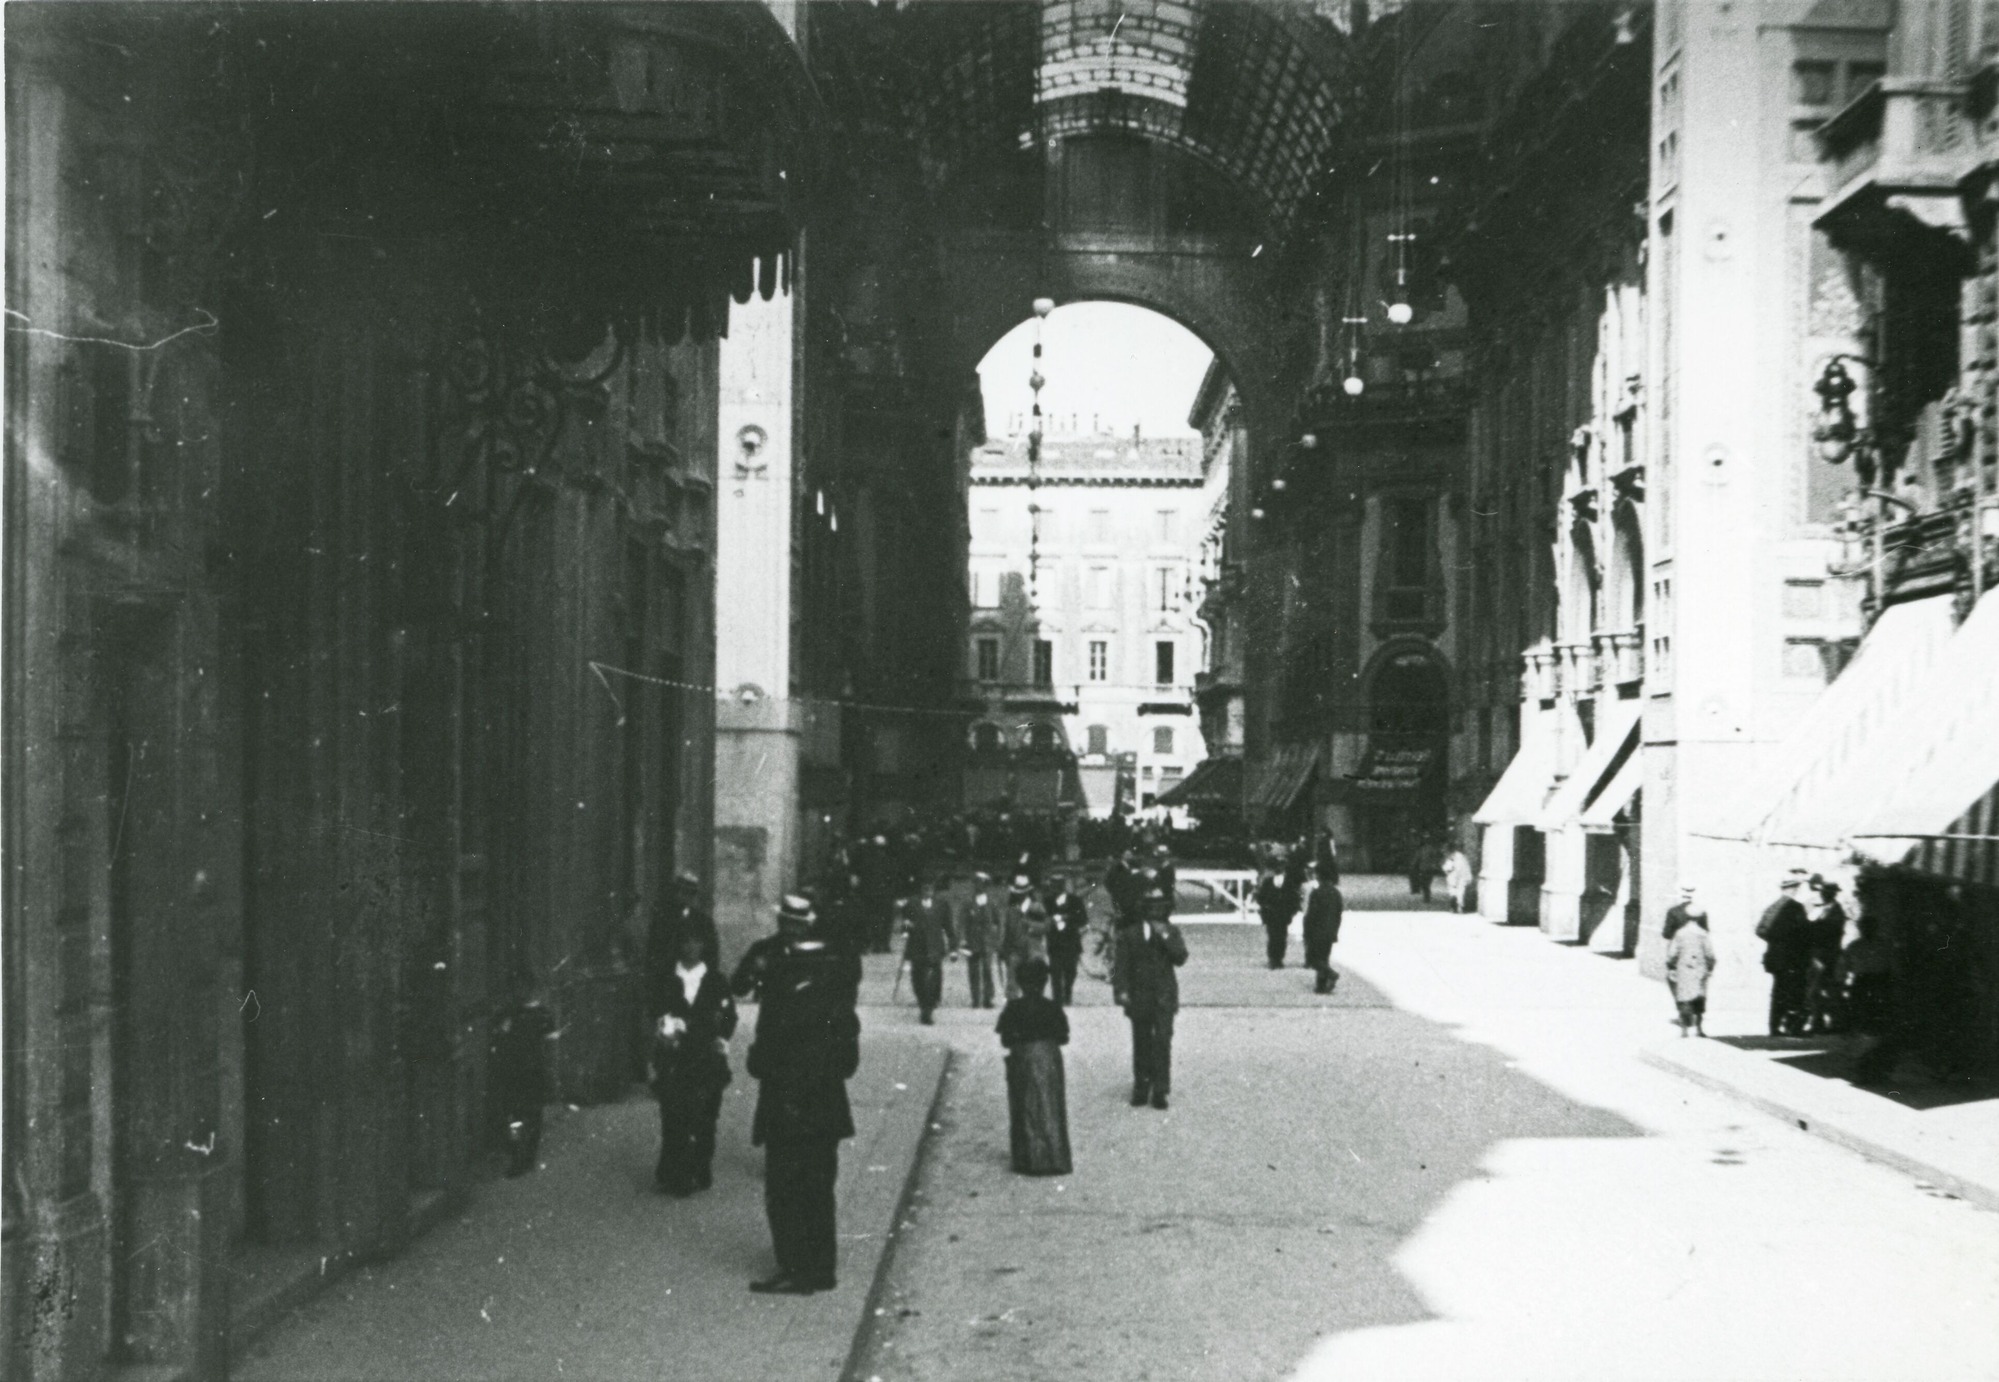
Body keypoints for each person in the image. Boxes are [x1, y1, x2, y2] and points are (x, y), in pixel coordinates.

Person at [738, 895, 861, 1296]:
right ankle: (821, 1268)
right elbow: (848, 1060)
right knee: (819, 1189)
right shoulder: (835, 997)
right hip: (825, 1108)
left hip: (787, 1107)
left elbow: (762, 1060)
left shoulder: (783, 1001)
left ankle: (795, 1268)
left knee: (785, 1191)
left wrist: (768, 1066)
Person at [649, 931, 738, 1194]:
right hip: (674, 1057)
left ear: (703, 945)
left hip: (705, 1058)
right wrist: (663, 1030)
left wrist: (721, 1038)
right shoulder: (667, 979)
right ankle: (674, 1173)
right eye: (685, 940)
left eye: (695, 940)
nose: (690, 946)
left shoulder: (716, 980)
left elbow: (728, 1016)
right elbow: (655, 1010)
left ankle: (700, 1166)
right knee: (673, 1115)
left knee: (705, 1116)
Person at [1113, 885, 1188, 1110]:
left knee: (1163, 1041)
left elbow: (1181, 957)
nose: (1156, 912)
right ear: (1143, 910)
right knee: (1142, 1042)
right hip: (1139, 996)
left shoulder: (1171, 931)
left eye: (1160, 908)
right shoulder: (1130, 934)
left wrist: (1164, 934)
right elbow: (1122, 966)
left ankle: (1161, 1090)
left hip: (1164, 996)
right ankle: (1141, 1087)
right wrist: (1122, 991)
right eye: (1151, 908)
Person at [996, 958, 1072, 1176]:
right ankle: (1054, 1156)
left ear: (1020, 983)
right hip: (1049, 1059)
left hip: (1023, 1059)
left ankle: (1027, 1158)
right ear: (1045, 982)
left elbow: (1005, 1040)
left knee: (1024, 1106)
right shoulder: (1052, 1007)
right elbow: (1063, 1037)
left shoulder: (1013, 1008)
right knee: (1050, 1105)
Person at [490, 983, 554, 1178]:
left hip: (526, 1072)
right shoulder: (537, 1013)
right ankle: (522, 1157)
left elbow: (549, 1044)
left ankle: (522, 1157)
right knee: (522, 1116)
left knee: (524, 1115)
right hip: (522, 1072)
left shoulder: (516, 1013)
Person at [1756, 874, 1813, 1036]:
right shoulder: (1796, 907)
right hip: (1793, 958)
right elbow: (1805, 933)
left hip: (1775, 957)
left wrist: (1774, 941)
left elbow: (1760, 930)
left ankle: (1774, 1026)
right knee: (1794, 992)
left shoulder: (1771, 907)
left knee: (1778, 991)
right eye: (1796, 889)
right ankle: (1791, 1027)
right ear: (1793, 889)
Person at [899, 875, 957, 1025]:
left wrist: (953, 948)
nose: (927, 891)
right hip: (916, 948)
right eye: (925, 888)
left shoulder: (942, 905)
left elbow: (949, 927)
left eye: (930, 888)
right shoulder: (911, 904)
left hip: (935, 948)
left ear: (934, 889)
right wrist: (905, 931)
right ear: (920, 889)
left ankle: (928, 1010)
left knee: (934, 981)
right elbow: (905, 922)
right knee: (917, 980)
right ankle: (923, 1003)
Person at [646, 871, 721, 985]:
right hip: (668, 980)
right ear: (676, 893)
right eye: (682, 892)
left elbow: (711, 954)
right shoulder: (662, 920)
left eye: (691, 893)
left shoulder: (703, 922)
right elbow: (653, 951)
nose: (686, 897)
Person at [1803, 876, 1849, 1034]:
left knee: (1830, 989)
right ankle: (1817, 1021)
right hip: (1818, 953)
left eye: (1829, 892)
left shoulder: (1836, 911)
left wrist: (1814, 927)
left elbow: (1830, 932)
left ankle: (1833, 1023)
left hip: (1829, 954)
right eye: (1825, 891)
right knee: (1815, 990)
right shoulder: (1819, 908)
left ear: (1834, 894)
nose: (1826, 894)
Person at [1663, 903, 1715, 1037]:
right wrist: (1710, 967)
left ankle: (1684, 1030)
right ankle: (1699, 1028)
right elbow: (1710, 954)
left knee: (1684, 998)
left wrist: (1671, 965)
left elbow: (1673, 953)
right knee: (1699, 998)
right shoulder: (1703, 934)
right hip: (1700, 968)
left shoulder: (1680, 933)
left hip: (1684, 968)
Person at [1000, 875, 1049, 1000]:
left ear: (1028, 892)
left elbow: (1045, 928)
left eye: (1022, 892)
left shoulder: (1037, 907)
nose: (1020, 895)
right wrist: (1004, 950)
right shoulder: (1011, 911)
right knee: (1012, 981)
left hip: (1034, 950)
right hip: (1016, 950)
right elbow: (1008, 933)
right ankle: (1013, 1006)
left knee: (1034, 982)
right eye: (1018, 892)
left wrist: (1030, 925)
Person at [1043, 875, 1088, 1006]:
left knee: (1070, 971)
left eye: (1058, 886)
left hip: (1071, 941)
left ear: (1063, 887)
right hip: (1055, 942)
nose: (1054, 889)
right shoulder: (1047, 902)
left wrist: (1067, 917)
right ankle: (1057, 998)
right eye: (1053, 885)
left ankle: (1067, 993)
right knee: (1055, 971)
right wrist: (1051, 920)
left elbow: (1083, 919)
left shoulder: (1075, 901)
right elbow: (1042, 918)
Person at [1302, 865, 1345, 994]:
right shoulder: (1336, 893)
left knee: (1313, 959)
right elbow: (1339, 913)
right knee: (1324, 958)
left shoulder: (1317, 892)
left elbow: (1311, 914)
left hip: (1316, 931)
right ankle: (1321, 985)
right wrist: (1335, 930)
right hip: (1330, 930)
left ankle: (1331, 974)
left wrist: (1306, 931)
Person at [1254, 861, 1300, 969]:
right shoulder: (1268, 882)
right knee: (1273, 937)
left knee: (1281, 937)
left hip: (1283, 915)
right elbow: (1261, 897)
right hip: (1271, 914)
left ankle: (1278, 959)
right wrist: (1265, 908)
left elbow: (1294, 899)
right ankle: (1273, 959)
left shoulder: (1288, 883)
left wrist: (1291, 912)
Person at [1441, 845, 1474, 914]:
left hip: (1453, 878)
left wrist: (1445, 870)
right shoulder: (1463, 858)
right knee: (1461, 893)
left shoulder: (1451, 858)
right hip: (1462, 878)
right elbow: (1467, 868)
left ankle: (1454, 908)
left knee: (1453, 892)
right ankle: (1460, 907)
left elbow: (1447, 868)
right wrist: (1469, 877)